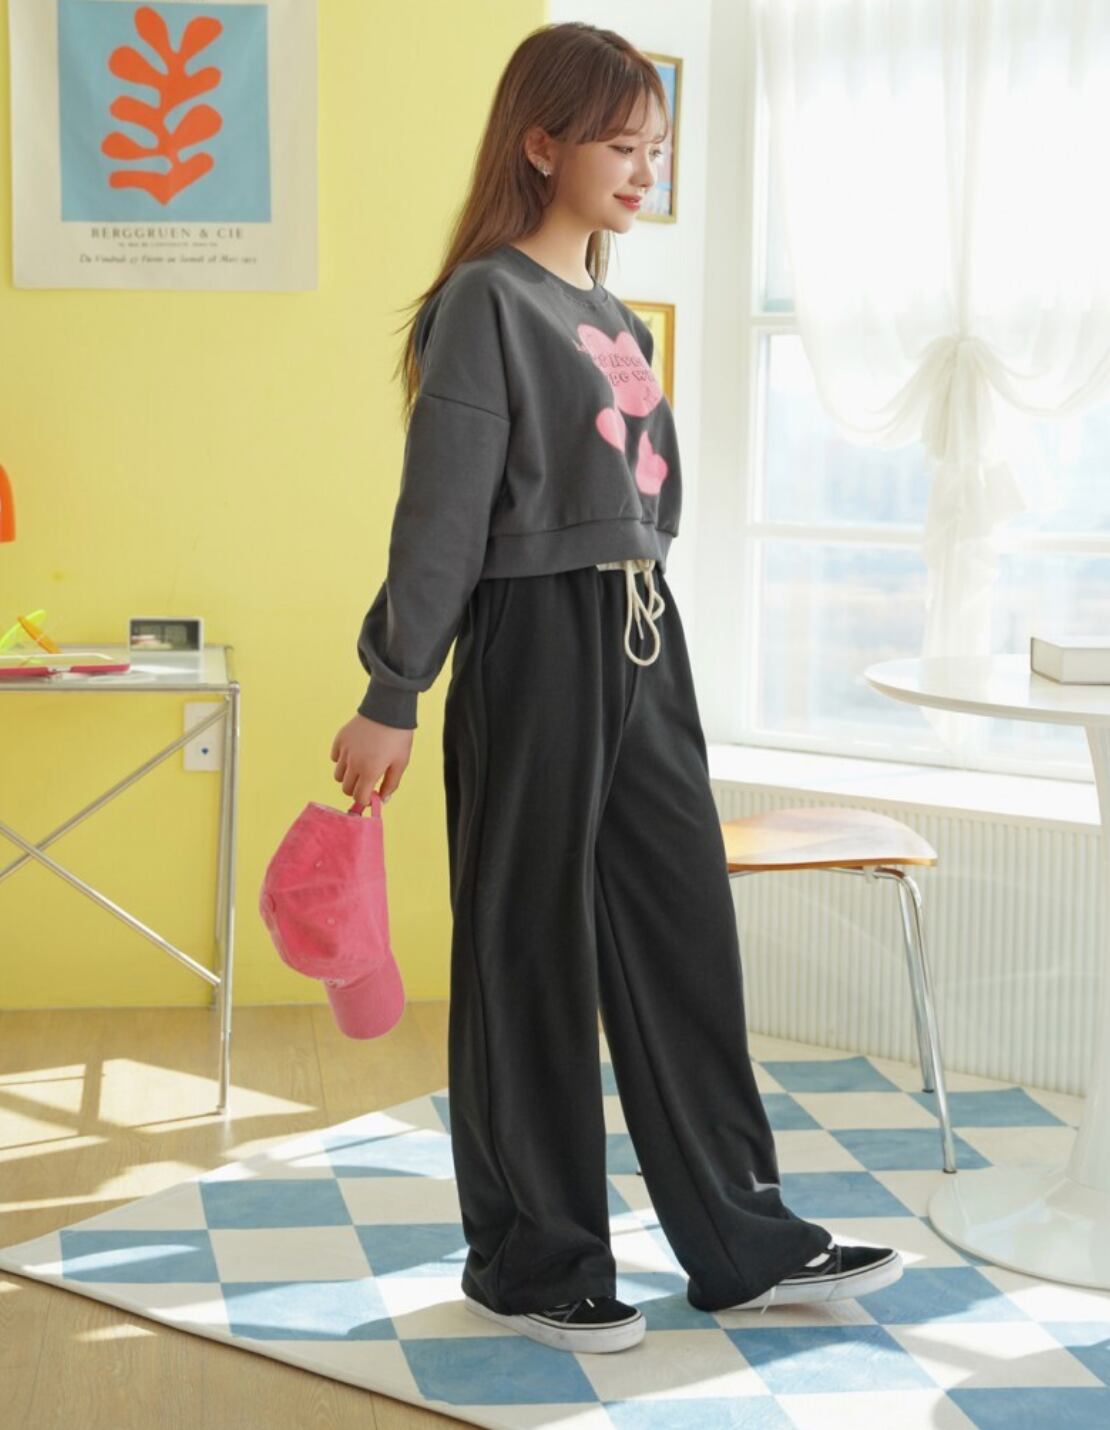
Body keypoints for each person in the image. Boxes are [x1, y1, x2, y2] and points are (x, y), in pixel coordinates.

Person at [329, 21, 904, 1356]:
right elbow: (442, 514)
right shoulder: (486, 301)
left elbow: (646, 495)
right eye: (620, 145)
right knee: (529, 945)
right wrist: (394, 686)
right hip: (532, 638)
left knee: (680, 931)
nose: (646, 169)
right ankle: (531, 1260)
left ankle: (744, 1243)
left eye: (657, 147)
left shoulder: (610, 314)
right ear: (541, 145)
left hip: (641, 629)